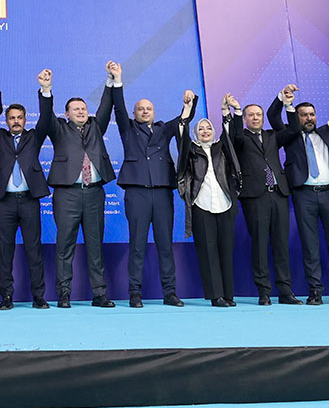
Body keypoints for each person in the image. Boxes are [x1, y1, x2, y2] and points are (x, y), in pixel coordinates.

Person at [110, 64, 193, 308]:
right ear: (134, 112)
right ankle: (135, 293)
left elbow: (183, 120)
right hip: (136, 192)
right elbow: (118, 107)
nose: (145, 111)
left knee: (165, 245)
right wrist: (118, 80)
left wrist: (188, 103)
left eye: (149, 109)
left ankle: (170, 293)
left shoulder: (164, 129)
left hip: (163, 193)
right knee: (137, 245)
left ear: (154, 112)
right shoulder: (128, 128)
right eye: (140, 109)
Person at [271, 83, 329, 306]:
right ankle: (315, 291)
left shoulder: (327, 132)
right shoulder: (290, 135)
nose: (309, 118)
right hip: (304, 195)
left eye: (311, 114)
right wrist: (283, 99)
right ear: (297, 117)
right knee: (310, 246)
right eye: (303, 115)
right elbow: (273, 116)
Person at [38, 64, 117, 308]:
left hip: (94, 193)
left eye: (83, 108)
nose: (81, 111)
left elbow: (106, 106)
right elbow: (46, 114)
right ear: (67, 114)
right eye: (76, 109)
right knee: (64, 246)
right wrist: (46, 89)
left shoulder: (96, 126)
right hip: (67, 195)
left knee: (95, 246)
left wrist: (110, 80)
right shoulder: (58, 128)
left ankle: (99, 294)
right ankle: (64, 293)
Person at [0, 74, 51, 310]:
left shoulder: (34, 137)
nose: (16, 121)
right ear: (7, 121)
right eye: (11, 118)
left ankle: (38, 296)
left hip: (30, 200)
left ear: (25, 119)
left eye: (19, 117)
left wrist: (45, 89)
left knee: (34, 250)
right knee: (5, 251)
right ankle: (7, 296)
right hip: (5, 202)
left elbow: (46, 117)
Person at [222, 90, 296, 305]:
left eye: (258, 115)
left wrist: (287, 105)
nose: (255, 118)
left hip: (279, 194)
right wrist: (235, 111)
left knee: (281, 244)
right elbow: (233, 137)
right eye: (250, 115)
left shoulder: (273, 136)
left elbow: (293, 129)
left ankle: (286, 291)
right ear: (245, 119)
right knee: (260, 245)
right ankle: (264, 292)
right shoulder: (241, 138)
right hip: (255, 197)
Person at [176, 104, 240, 307]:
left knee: (226, 250)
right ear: (196, 133)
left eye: (209, 128)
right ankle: (216, 295)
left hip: (225, 203)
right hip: (201, 205)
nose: (205, 131)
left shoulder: (222, 148)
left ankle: (228, 294)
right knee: (208, 251)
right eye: (201, 129)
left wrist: (226, 113)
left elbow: (230, 134)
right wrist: (186, 113)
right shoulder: (191, 151)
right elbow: (182, 137)